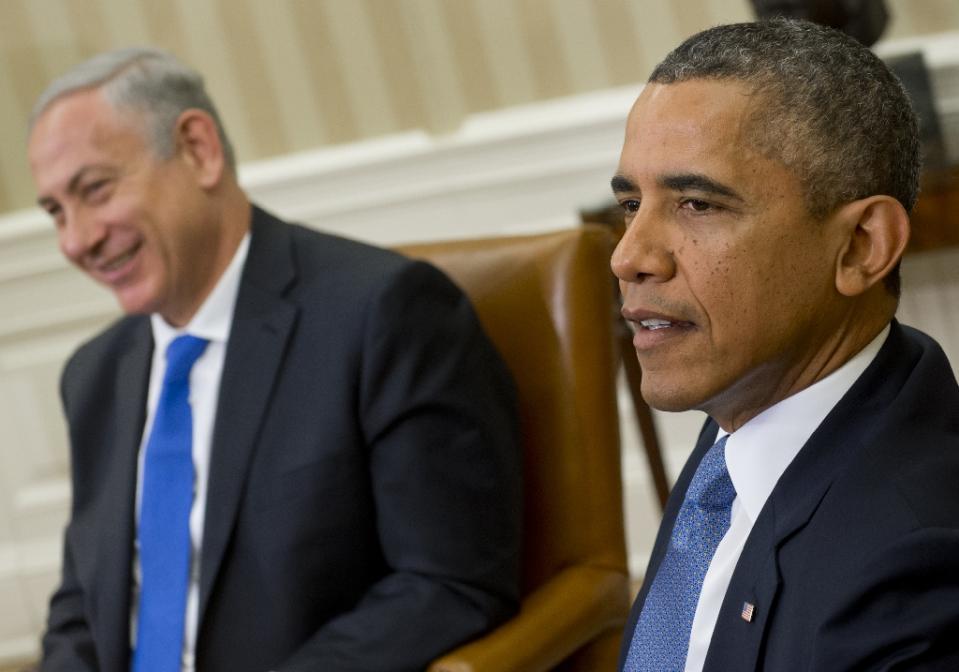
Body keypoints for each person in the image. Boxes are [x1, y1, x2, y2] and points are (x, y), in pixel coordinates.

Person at [28, 48, 521, 672]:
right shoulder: (95, 375)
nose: (76, 240)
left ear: (198, 149)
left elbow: (448, 584)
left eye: (95, 190)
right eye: (55, 212)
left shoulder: (384, 314)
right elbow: (82, 608)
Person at [611, 18, 959, 672]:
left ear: (860, 246)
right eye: (631, 204)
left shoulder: (918, 568)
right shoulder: (750, 409)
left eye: (696, 204)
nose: (629, 257)